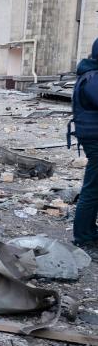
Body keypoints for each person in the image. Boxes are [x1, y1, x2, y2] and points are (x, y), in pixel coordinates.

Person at [70, 37, 98, 247]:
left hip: (92, 136)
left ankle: (88, 230)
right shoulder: (93, 78)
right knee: (92, 188)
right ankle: (83, 235)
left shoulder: (91, 74)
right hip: (96, 139)